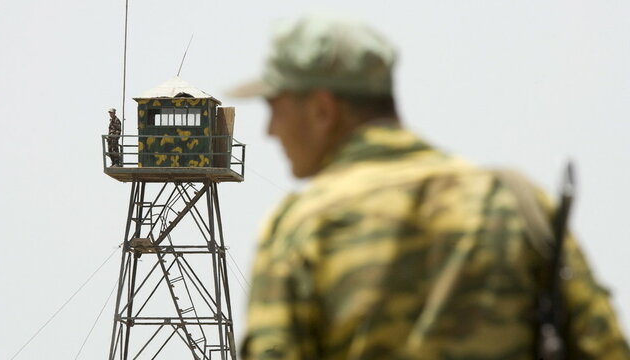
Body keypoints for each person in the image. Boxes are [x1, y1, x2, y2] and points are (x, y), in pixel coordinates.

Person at [229, 15, 630, 359]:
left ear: (322, 110)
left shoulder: (302, 228)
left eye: (274, 108)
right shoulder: (516, 201)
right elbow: (605, 346)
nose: (269, 130)